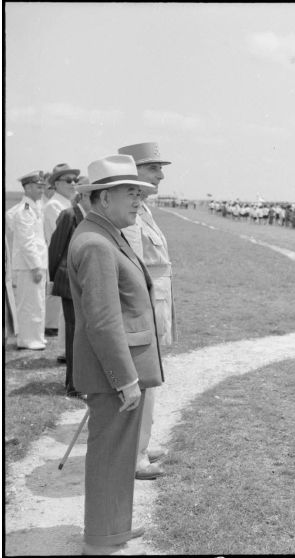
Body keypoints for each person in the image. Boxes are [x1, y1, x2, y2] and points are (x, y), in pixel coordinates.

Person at [68, 154, 164, 555]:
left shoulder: (106, 233)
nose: (139, 200)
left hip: (119, 367)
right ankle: (101, 539)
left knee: (119, 452)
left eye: (140, 193)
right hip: (115, 372)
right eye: (131, 192)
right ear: (104, 198)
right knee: (110, 453)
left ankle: (113, 528)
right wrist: (124, 378)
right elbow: (104, 322)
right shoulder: (95, 243)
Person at [118, 142, 175, 481]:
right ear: (134, 170)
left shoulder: (145, 210)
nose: (161, 174)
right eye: (154, 168)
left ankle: (142, 444)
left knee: (149, 381)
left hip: (154, 307)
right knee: (141, 380)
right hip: (142, 311)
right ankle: (134, 456)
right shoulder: (130, 215)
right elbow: (131, 271)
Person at [48, 181, 91, 398]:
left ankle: (80, 381)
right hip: (68, 283)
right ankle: (74, 385)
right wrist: (53, 278)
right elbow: (55, 249)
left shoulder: (91, 218)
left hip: (84, 283)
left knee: (83, 334)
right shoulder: (69, 215)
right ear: (82, 196)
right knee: (74, 334)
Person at [43, 163, 80, 360]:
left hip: (71, 263)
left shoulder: (66, 203)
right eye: (68, 180)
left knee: (68, 315)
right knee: (67, 314)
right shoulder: (54, 206)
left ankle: (70, 351)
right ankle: (68, 352)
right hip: (64, 263)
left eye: (75, 180)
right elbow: (54, 240)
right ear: (56, 184)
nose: (73, 184)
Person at [11, 171, 48, 350]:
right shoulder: (24, 211)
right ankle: (27, 339)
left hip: (36, 264)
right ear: (27, 188)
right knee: (29, 304)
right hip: (29, 266)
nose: (42, 190)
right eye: (38, 187)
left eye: (43, 186)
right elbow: (27, 242)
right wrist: (35, 267)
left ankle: (36, 337)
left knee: (38, 302)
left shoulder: (34, 207)